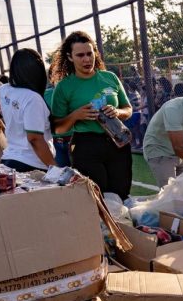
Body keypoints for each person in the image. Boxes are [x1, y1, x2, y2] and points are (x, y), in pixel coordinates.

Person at [51, 30, 133, 199]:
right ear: (70, 57)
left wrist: (117, 112)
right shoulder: (64, 87)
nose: (87, 59)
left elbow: (128, 109)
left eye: (90, 53)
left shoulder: (110, 77)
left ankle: (121, 225)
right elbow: (57, 128)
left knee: (121, 194)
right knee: (95, 197)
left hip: (118, 141)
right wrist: (75, 115)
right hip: (86, 145)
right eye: (80, 55)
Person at [0, 49, 56, 172]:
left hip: (8, 160)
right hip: (31, 164)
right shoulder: (32, 98)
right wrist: (55, 169)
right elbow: (34, 138)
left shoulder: (4, 90)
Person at [43, 66, 73, 167]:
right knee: (62, 178)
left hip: (73, 141)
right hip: (56, 143)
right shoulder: (44, 95)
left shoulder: (75, 93)